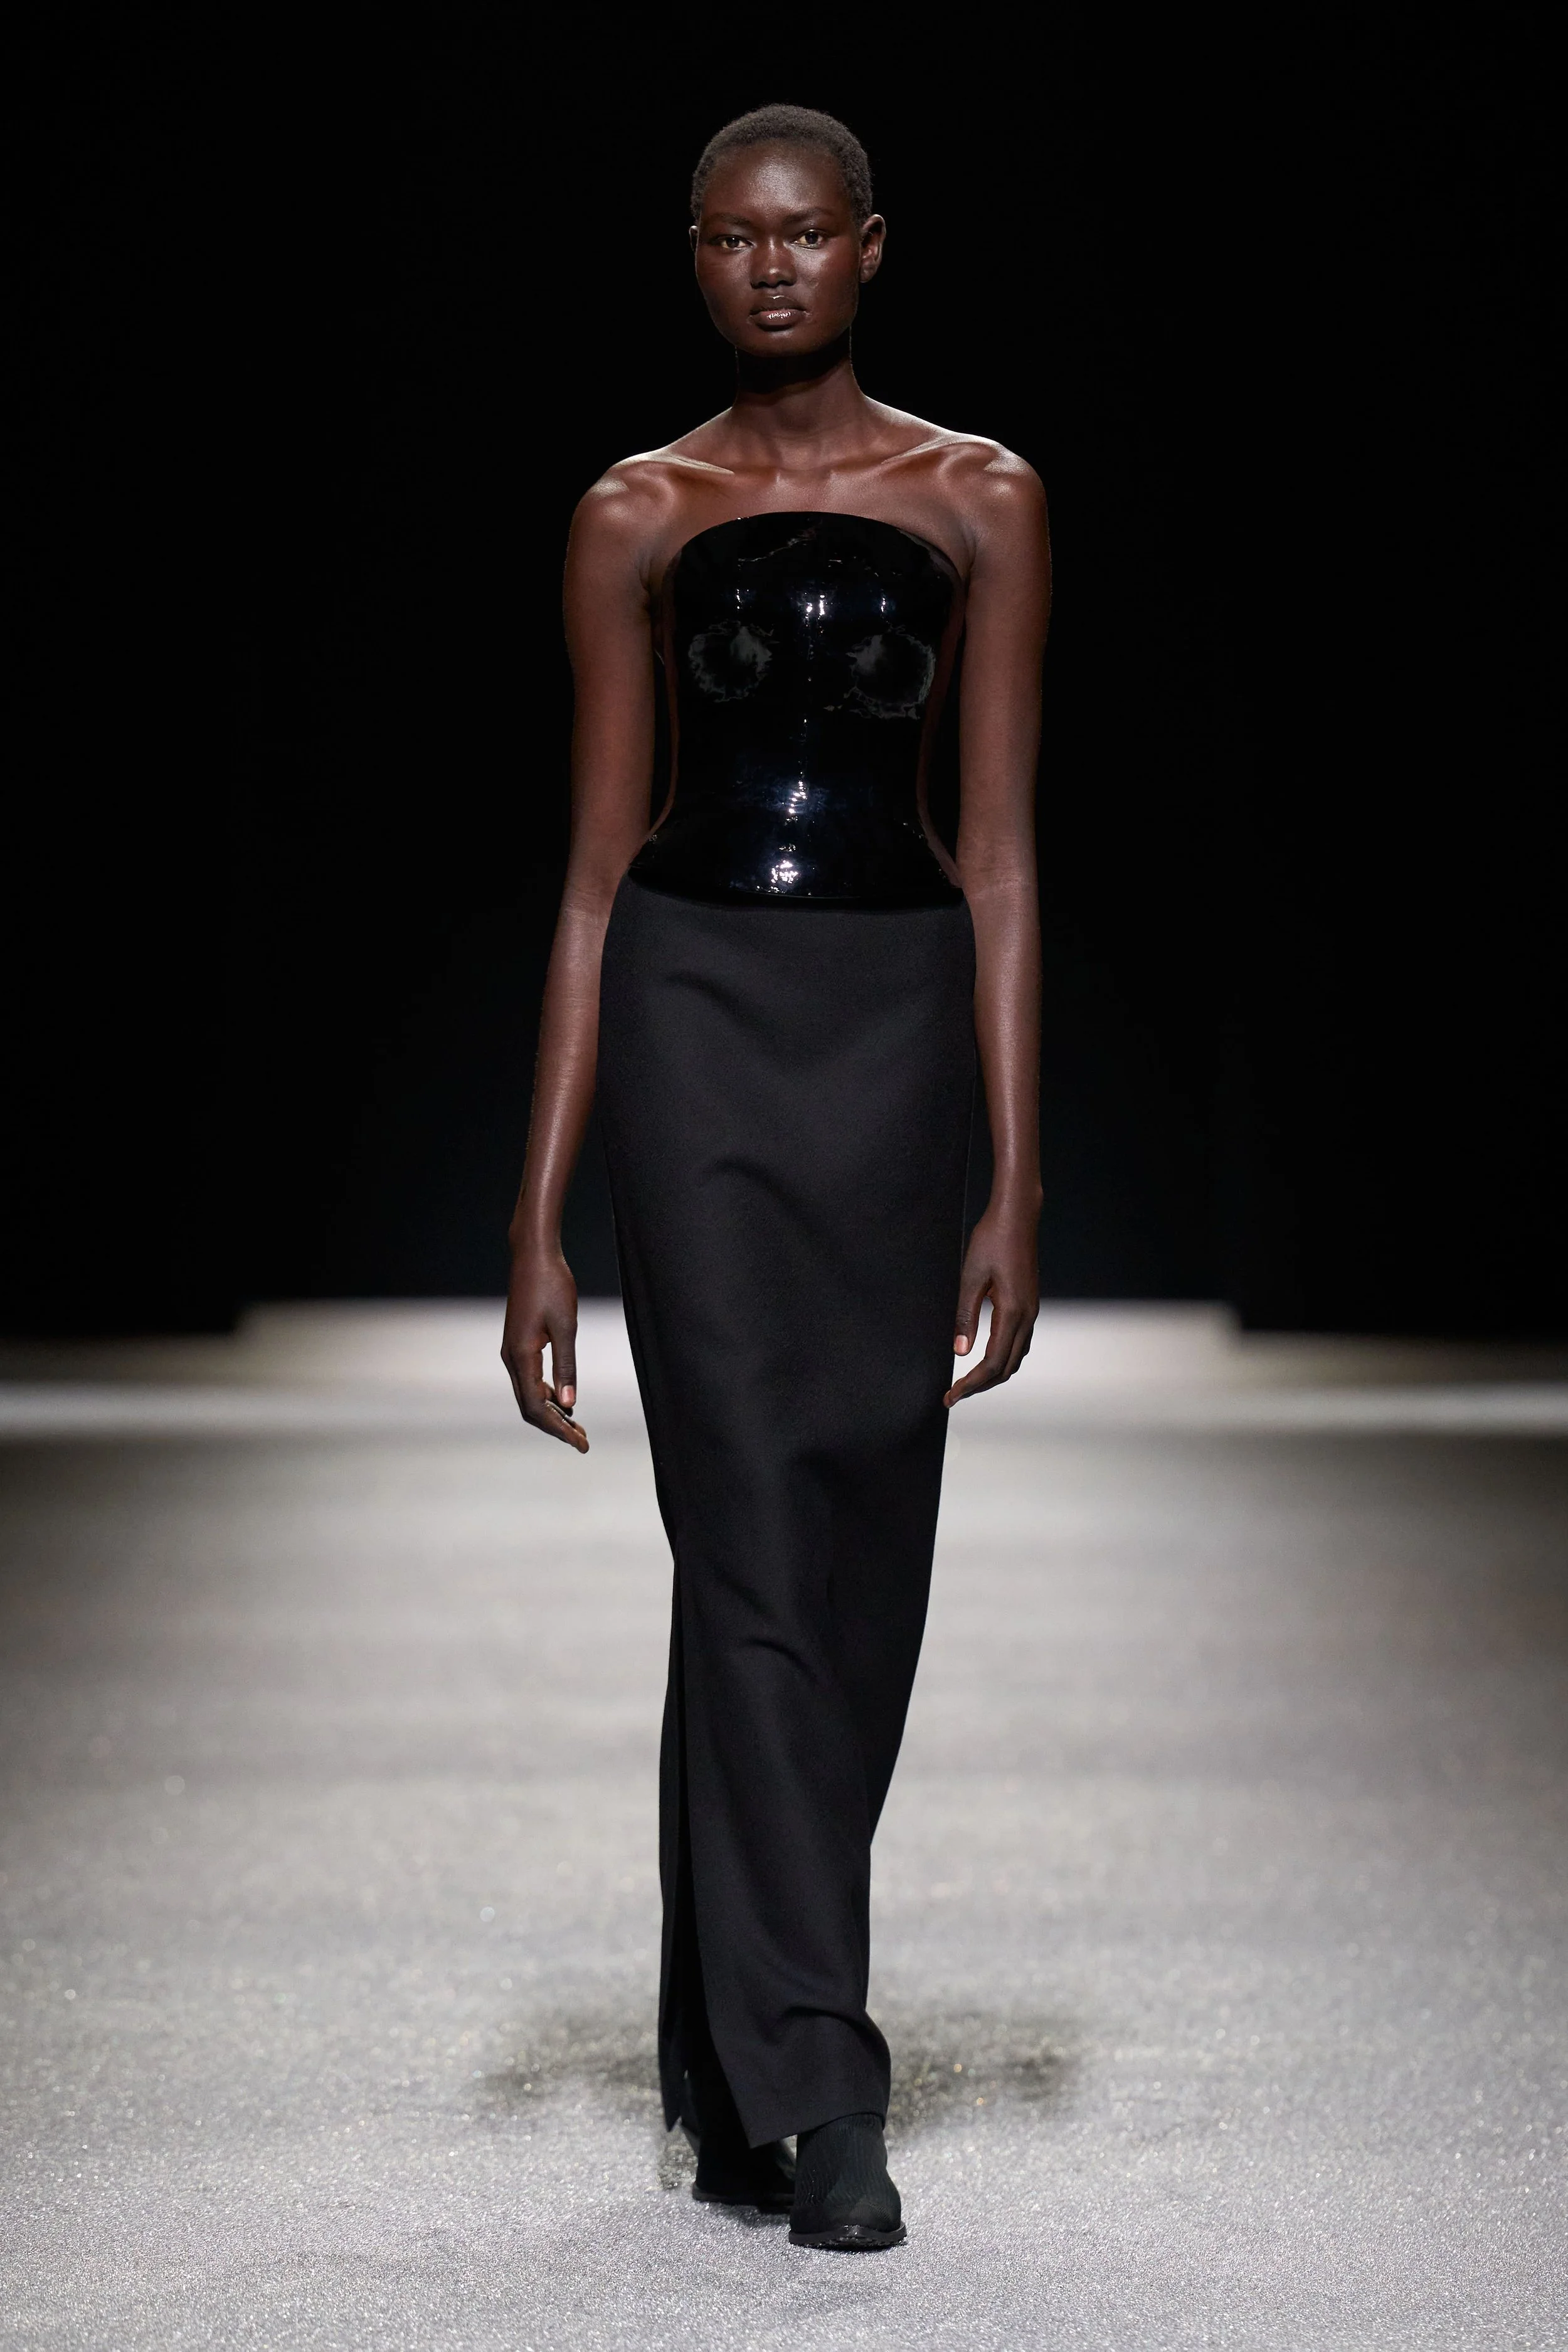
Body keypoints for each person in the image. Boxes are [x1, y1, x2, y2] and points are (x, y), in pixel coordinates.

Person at [502, 103, 1048, 2251]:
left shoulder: (980, 496)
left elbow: (998, 854)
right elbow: (587, 874)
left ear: (870, 246)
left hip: (895, 1026)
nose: (769, 268)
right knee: (736, 1520)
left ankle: (723, 2052)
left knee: (855, 1535)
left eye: (803, 233)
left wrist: (1018, 1175)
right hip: (693, 1014)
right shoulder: (635, 510)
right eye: (730, 237)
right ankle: (821, 2080)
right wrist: (536, 1214)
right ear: (695, 256)